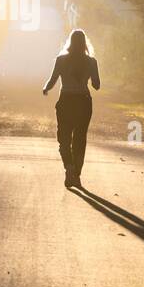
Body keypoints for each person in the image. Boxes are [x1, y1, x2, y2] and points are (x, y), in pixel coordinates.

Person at [42, 29, 100, 189]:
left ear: (70, 42)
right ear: (84, 44)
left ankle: (69, 167)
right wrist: (89, 77)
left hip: (66, 101)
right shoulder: (91, 62)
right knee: (80, 139)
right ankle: (77, 175)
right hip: (83, 102)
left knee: (64, 138)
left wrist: (46, 88)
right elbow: (97, 85)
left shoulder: (60, 60)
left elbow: (52, 80)